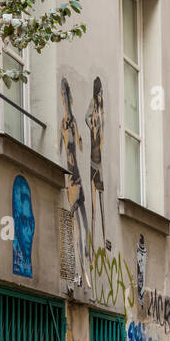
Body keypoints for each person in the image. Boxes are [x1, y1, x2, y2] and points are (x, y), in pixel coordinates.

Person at [58, 78, 91, 289]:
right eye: (65, 96)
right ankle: (80, 271)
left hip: (76, 175)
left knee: (85, 225)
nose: (66, 99)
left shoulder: (70, 123)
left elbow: (79, 145)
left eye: (66, 95)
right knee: (76, 225)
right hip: (71, 178)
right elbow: (61, 148)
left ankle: (87, 266)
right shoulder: (64, 123)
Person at [85, 77, 106, 255]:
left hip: (99, 161)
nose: (101, 96)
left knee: (101, 198)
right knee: (94, 201)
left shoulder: (101, 110)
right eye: (100, 93)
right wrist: (93, 127)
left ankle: (103, 239)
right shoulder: (94, 105)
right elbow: (86, 117)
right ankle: (92, 244)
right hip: (93, 158)